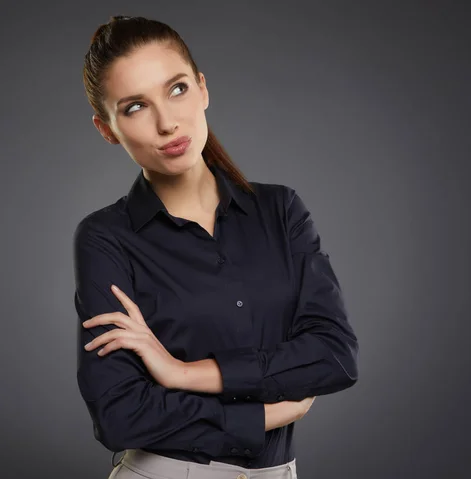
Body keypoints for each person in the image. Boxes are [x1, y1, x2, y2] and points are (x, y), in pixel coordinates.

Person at [73, 15, 359, 479]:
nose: (168, 123)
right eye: (135, 107)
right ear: (107, 129)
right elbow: (120, 414)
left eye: (178, 89)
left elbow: (334, 358)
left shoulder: (280, 211)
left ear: (203, 88)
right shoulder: (106, 238)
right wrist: (264, 414)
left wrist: (180, 373)